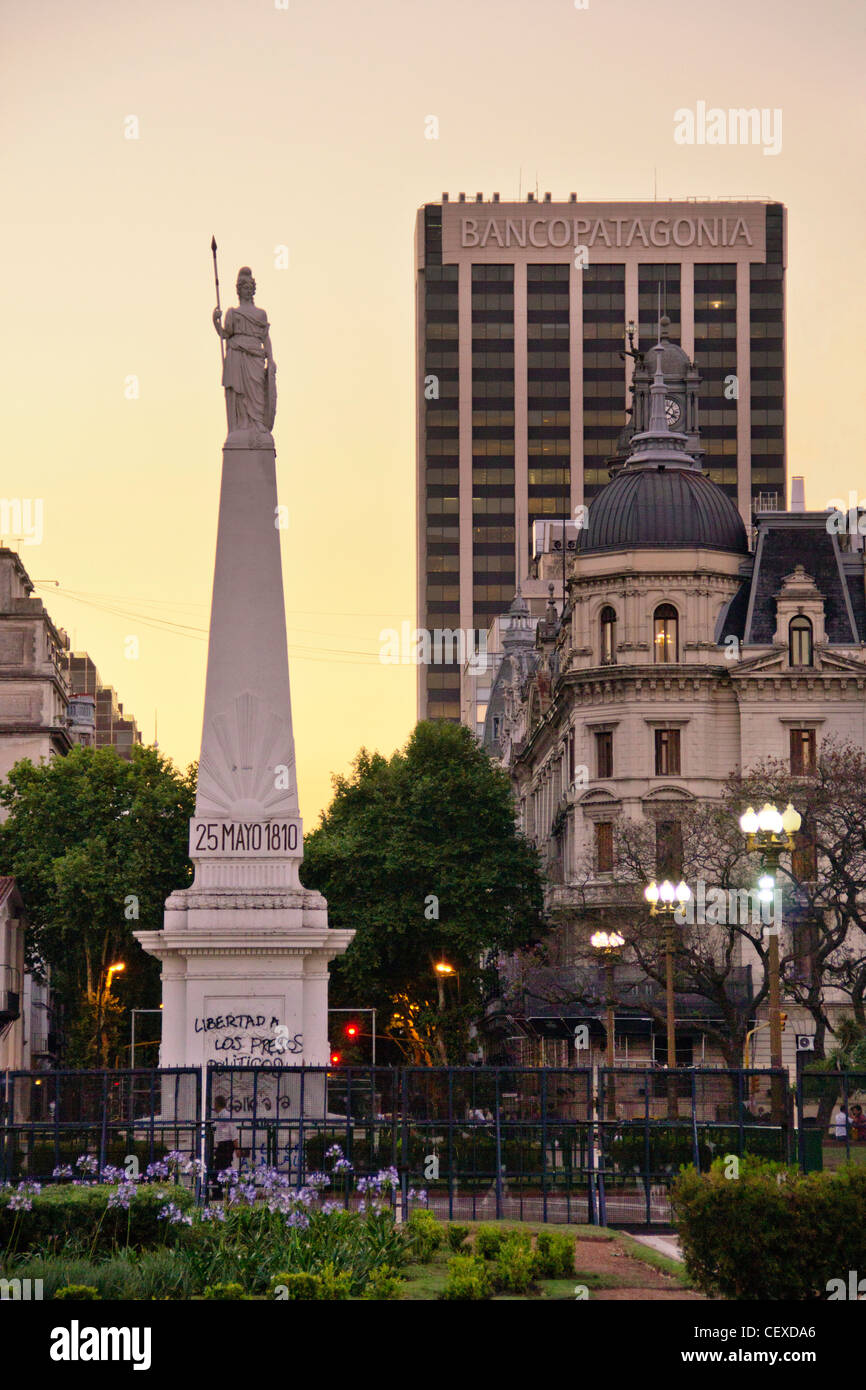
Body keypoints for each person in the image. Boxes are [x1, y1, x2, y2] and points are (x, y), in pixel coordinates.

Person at [212, 1095, 238, 1178]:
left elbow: (233, 1131)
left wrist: (237, 1147)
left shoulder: (226, 1115)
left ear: (217, 1104)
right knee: (219, 1166)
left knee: (222, 1167)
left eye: (214, 1104)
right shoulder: (220, 1115)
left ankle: (223, 1186)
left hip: (226, 1145)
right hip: (223, 1145)